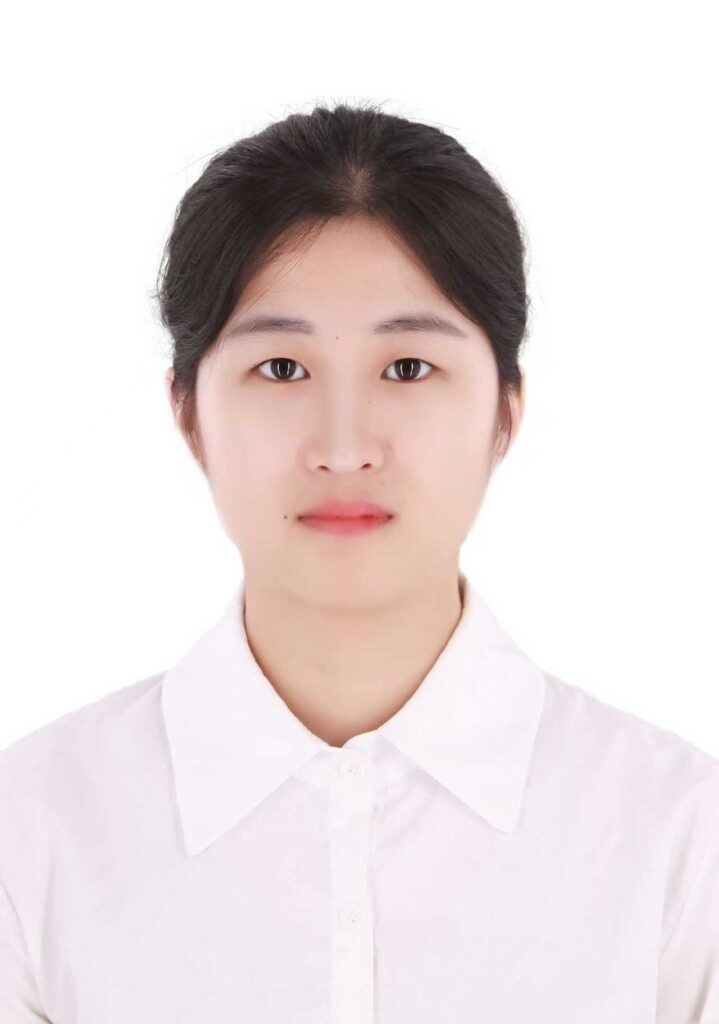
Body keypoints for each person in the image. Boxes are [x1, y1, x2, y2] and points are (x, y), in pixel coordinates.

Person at [1, 101, 717, 1022]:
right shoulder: (33, 834)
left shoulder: (677, 843)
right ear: (187, 412)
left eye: (408, 368)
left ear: (504, 412)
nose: (343, 448)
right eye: (282, 370)